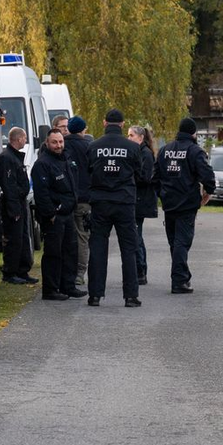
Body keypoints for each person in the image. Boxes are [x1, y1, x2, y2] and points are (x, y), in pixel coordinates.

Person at [86, 108, 145, 307]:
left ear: (104, 123)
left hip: (100, 202)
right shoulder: (133, 148)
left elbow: (88, 172)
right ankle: (130, 296)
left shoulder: (93, 146)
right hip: (124, 202)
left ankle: (95, 295)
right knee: (129, 249)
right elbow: (139, 173)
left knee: (98, 249)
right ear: (122, 124)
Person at [154, 117, 216, 294]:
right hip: (187, 203)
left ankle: (182, 275)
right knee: (182, 241)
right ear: (193, 133)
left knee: (174, 242)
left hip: (169, 203)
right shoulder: (195, 151)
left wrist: (162, 194)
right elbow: (207, 175)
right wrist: (208, 192)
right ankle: (179, 280)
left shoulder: (165, 150)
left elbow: (155, 176)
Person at [31, 128, 81, 301]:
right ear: (47, 143)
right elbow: (41, 193)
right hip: (54, 217)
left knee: (70, 251)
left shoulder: (66, 159)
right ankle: (50, 289)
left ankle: (68, 286)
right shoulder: (42, 164)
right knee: (53, 253)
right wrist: (51, 214)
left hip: (68, 213)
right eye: (55, 142)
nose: (58, 145)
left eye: (60, 141)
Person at [0, 127, 36, 285]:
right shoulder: (7, 158)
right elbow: (8, 185)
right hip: (13, 203)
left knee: (23, 237)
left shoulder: (14, 157)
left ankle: (22, 270)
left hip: (19, 202)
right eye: (24, 138)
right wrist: (14, 209)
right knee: (14, 239)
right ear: (18, 139)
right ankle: (10, 272)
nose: (25, 141)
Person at [64, 116, 94, 288]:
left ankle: (66, 270)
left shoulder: (62, 145)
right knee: (82, 236)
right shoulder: (88, 146)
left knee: (66, 236)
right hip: (83, 198)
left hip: (66, 197)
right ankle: (80, 273)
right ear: (83, 129)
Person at [128, 125, 157, 286]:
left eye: (131, 135)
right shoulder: (139, 152)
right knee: (136, 236)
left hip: (140, 200)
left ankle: (141, 271)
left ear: (140, 137)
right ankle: (139, 270)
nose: (129, 138)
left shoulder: (145, 154)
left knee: (136, 237)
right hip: (136, 199)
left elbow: (145, 177)